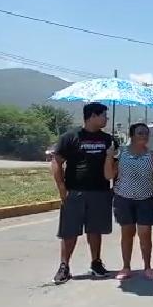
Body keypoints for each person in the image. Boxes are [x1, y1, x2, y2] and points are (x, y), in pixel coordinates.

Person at [51, 103, 115, 284]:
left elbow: (113, 167)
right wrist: (61, 187)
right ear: (93, 116)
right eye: (104, 115)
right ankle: (64, 266)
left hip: (100, 191)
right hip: (75, 191)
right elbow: (57, 162)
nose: (106, 119)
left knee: (95, 230)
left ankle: (96, 262)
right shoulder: (70, 137)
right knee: (69, 231)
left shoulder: (108, 139)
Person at [104, 123, 153, 281]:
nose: (144, 136)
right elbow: (108, 175)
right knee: (127, 234)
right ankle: (126, 267)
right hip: (123, 198)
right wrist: (108, 156)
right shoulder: (120, 154)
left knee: (145, 234)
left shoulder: (152, 155)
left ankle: (147, 267)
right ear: (132, 135)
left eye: (146, 133)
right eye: (140, 133)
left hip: (146, 199)